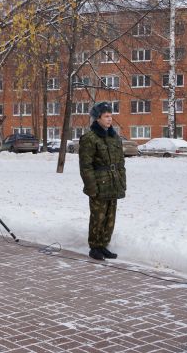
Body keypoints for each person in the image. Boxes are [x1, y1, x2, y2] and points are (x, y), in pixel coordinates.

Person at [79, 101, 126, 261]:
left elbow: (121, 164)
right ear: (97, 118)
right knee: (98, 217)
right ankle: (95, 247)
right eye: (106, 116)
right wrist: (91, 187)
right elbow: (86, 166)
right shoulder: (89, 138)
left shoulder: (114, 137)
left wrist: (122, 183)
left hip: (113, 183)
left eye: (111, 116)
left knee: (110, 217)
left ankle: (104, 245)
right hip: (99, 184)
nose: (109, 119)